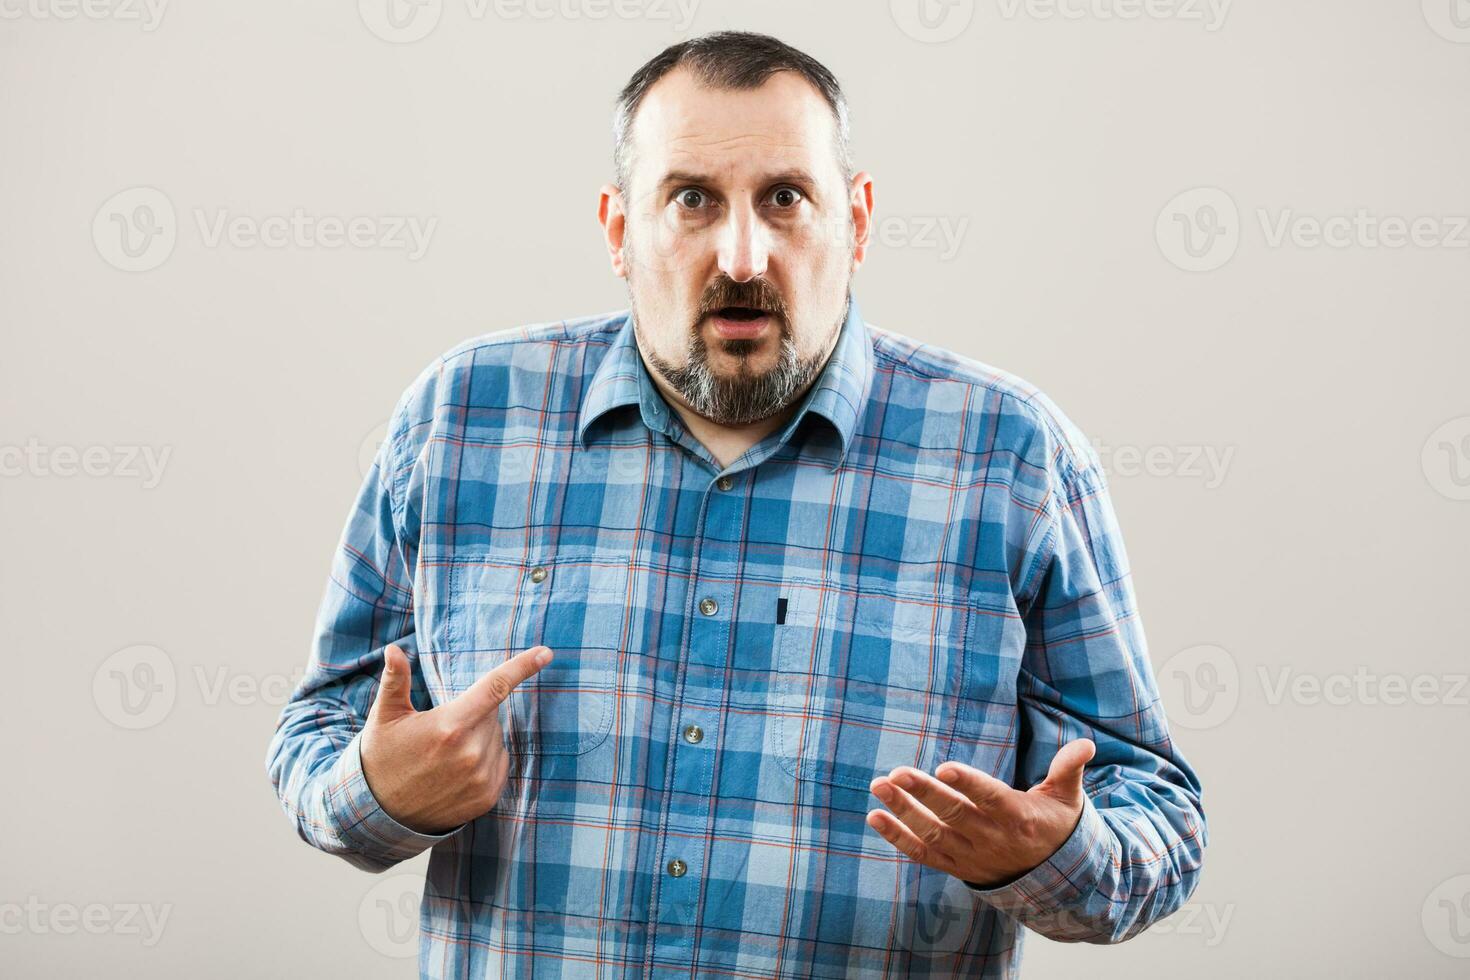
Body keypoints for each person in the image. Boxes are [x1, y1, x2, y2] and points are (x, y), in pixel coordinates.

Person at [266, 30, 1207, 978]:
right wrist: (378, 792)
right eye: (691, 200)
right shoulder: (460, 417)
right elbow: (317, 739)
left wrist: (1053, 856)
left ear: (860, 220)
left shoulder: (1013, 459)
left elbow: (1160, 818)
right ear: (619, 231)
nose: (744, 255)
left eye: (786, 199)